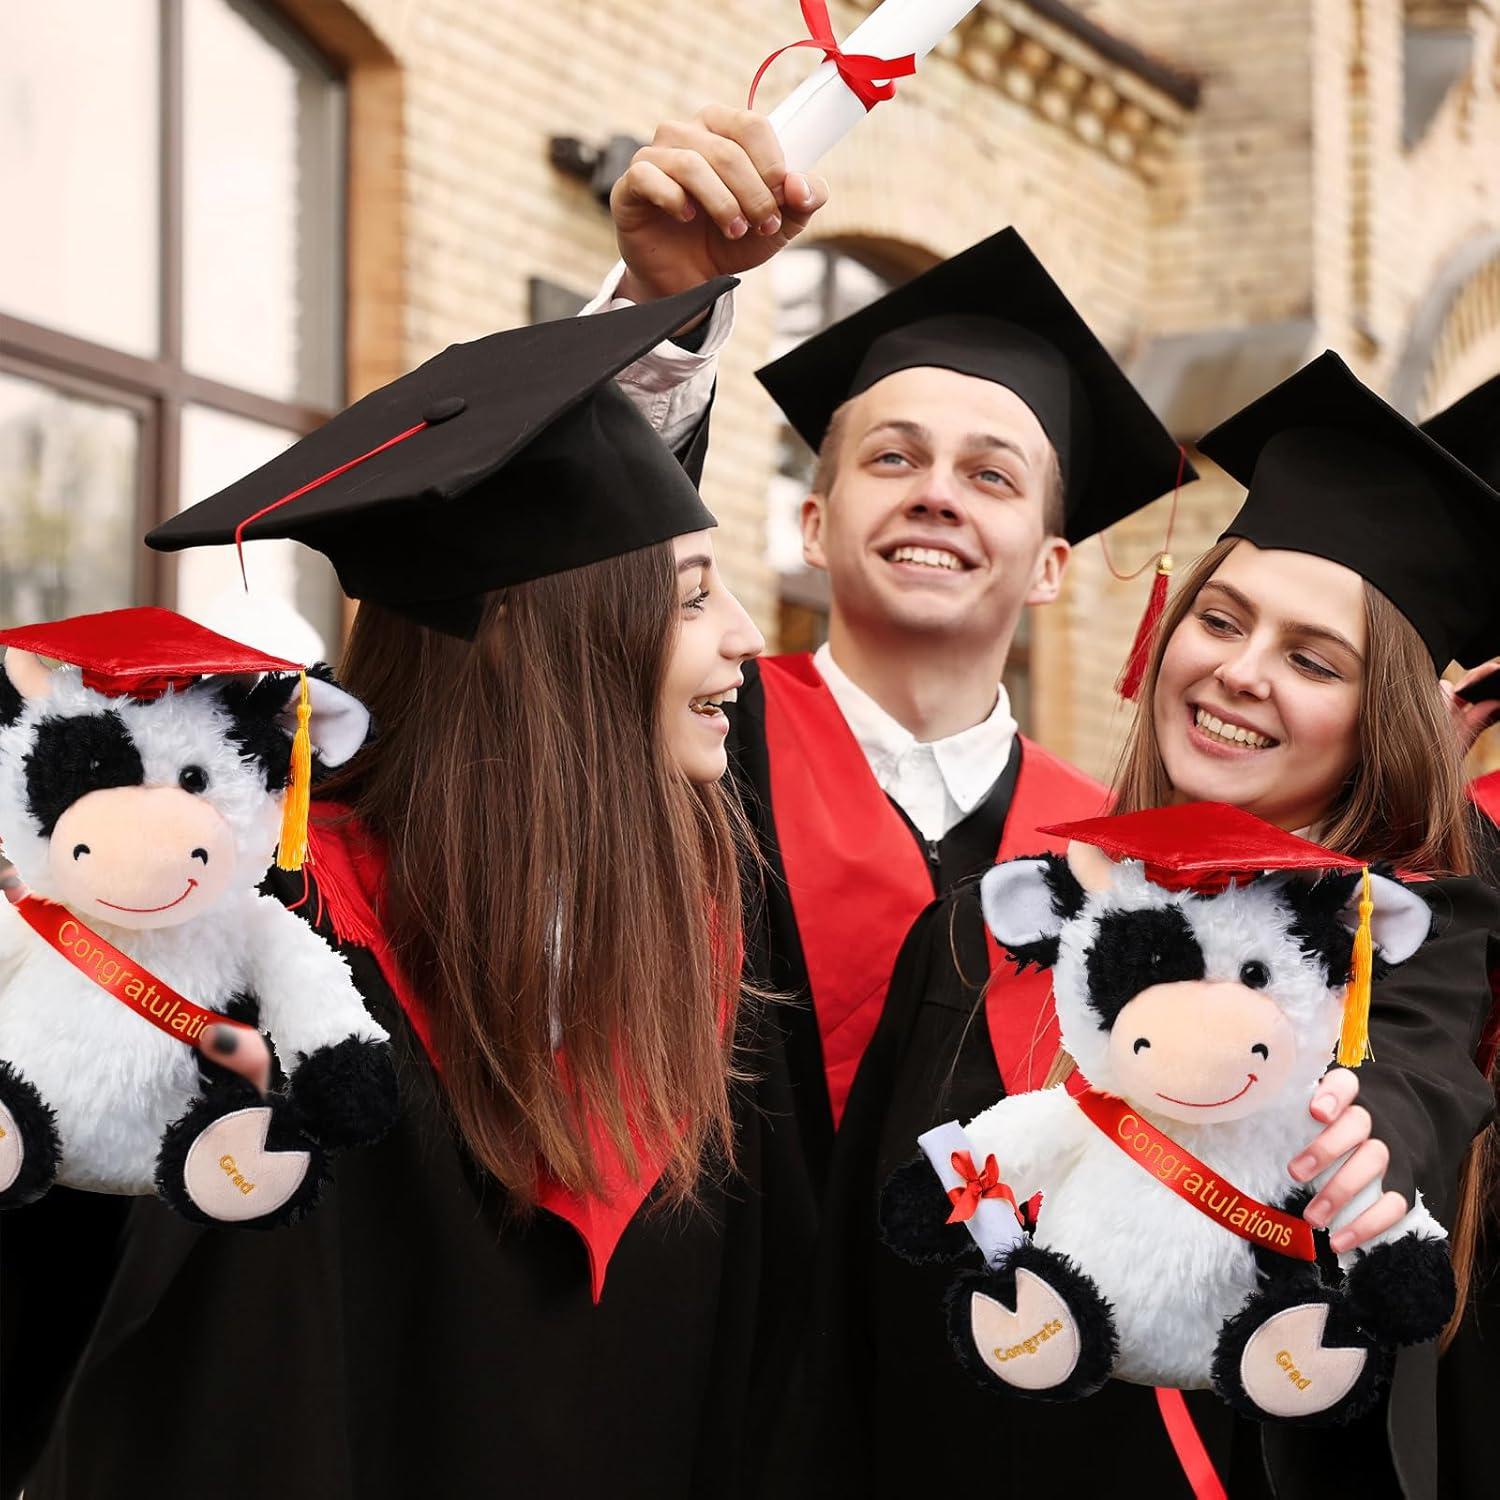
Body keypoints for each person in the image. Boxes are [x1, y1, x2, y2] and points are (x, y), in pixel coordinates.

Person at [0, 268, 824, 1496]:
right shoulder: (264, 947)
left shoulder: (703, 947)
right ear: (551, 639)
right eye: (696, 593)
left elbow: (768, 1369)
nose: (750, 636)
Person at [780, 351, 1500, 1499]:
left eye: (1314, 660)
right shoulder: (985, 930)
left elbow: (1420, 1070)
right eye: (1220, 618)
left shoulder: (1406, 956)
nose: (1238, 671)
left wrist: (1375, 1141)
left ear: (1386, 723)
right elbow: (853, 1342)